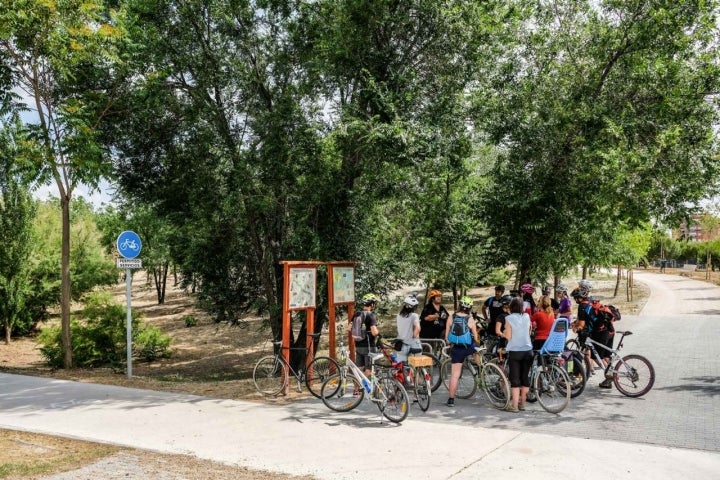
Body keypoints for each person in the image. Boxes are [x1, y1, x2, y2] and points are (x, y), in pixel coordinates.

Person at [570, 281, 614, 389]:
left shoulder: (582, 306)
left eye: (576, 298)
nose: (575, 300)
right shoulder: (591, 300)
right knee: (606, 355)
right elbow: (586, 318)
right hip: (609, 329)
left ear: (579, 297)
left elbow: (581, 324)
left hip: (600, 332)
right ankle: (610, 377)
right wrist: (575, 323)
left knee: (596, 356)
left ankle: (610, 375)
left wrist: (575, 328)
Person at [444, 296, 479, 407]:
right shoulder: (470, 319)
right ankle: (481, 369)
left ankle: (451, 400)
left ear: (460, 305)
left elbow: (447, 336)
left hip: (456, 348)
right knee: (476, 349)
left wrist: (451, 344)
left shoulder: (452, 317)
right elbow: (476, 337)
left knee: (454, 375)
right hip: (468, 347)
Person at [502, 297, 533, 412]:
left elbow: (508, 336)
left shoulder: (508, 318)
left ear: (511, 307)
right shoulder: (526, 316)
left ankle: (514, 406)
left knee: (515, 380)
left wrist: (504, 332)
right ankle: (523, 404)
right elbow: (529, 332)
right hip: (528, 350)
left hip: (515, 352)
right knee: (525, 378)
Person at [395, 294, 422, 384]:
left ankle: (402, 388)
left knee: (402, 367)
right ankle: (416, 390)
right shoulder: (414, 315)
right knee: (416, 367)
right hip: (413, 344)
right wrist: (414, 336)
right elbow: (418, 328)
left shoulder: (399, 315)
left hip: (401, 345)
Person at [353, 293, 380, 377]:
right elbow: (374, 332)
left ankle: (357, 389)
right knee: (369, 369)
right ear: (372, 304)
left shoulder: (356, 314)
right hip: (368, 347)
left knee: (359, 370)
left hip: (358, 345)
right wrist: (379, 334)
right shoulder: (371, 315)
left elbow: (349, 328)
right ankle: (369, 389)